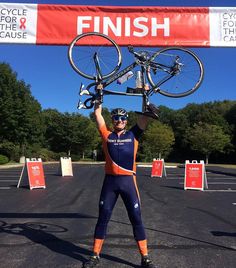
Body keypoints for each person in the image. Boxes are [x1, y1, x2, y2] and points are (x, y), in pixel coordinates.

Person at [82, 85, 158, 268]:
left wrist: (145, 92)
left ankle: (145, 257)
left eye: (123, 118)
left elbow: (145, 116)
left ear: (126, 120)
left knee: (136, 218)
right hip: (110, 182)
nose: (120, 120)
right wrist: (99, 94)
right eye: (116, 117)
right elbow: (98, 114)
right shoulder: (106, 135)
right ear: (113, 120)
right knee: (103, 217)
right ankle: (94, 255)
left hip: (127, 182)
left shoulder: (134, 135)